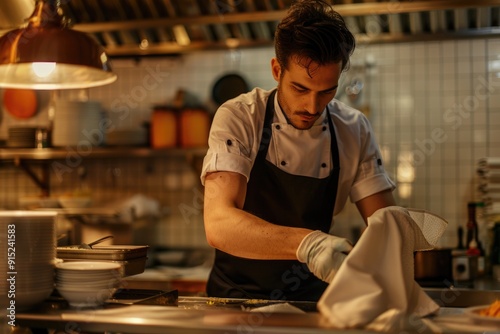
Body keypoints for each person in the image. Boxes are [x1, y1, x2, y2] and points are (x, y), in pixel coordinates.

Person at [200, 0, 396, 302]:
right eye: (301, 89)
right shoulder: (241, 116)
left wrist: (402, 245)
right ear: (277, 70)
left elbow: (385, 227)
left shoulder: (354, 129)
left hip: (311, 303)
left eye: (327, 91)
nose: (313, 107)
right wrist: (310, 244)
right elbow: (219, 224)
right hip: (235, 303)